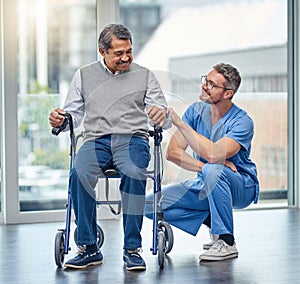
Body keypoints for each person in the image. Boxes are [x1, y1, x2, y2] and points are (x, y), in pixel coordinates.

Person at [49, 24, 171, 270]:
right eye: (118, 53)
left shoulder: (145, 75)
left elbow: (163, 117)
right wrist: (61, 120)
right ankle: (89, 247)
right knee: (79, 174)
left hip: (133, 139)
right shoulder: (83, 75)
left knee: (135, 173)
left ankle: (132, 249)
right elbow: (71, 114)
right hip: (96, 140)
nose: (125, 57)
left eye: (129, 51)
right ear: (102, 51)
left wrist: (160, 114)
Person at [145, 63, 259, 261]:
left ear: (228, 93)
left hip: (241, 185)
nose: (204, 86)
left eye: (212, 84)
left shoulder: (242, 122)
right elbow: (173, 152)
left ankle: (226, 241)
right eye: (205, 80)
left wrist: (180, 123)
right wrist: (205, 167)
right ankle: (214, 223)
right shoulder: (196, 111)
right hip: (206, 182)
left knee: (214, 170)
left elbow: (214, 154)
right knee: (148, 205)